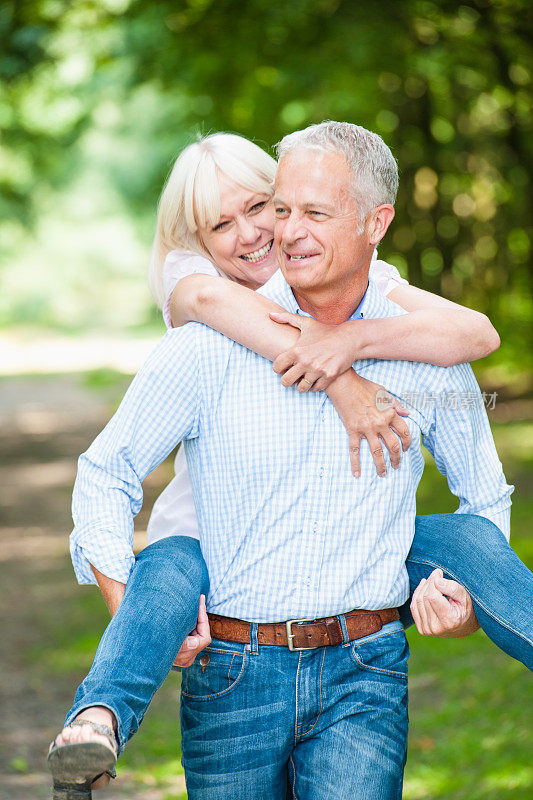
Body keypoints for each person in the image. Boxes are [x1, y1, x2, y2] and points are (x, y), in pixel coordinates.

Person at [47, 127, 531, 798]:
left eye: (292, 210)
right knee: (168, 567)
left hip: (364, 663)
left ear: (372, 222)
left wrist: (459, 597)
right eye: (272, 213)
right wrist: (124, 603)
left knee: (465, 542)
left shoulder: (414, 342)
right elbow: (106, 473)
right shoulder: (203, 334)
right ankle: (99, 713)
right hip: (229, 651)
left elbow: (482, 474)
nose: (270, 232)